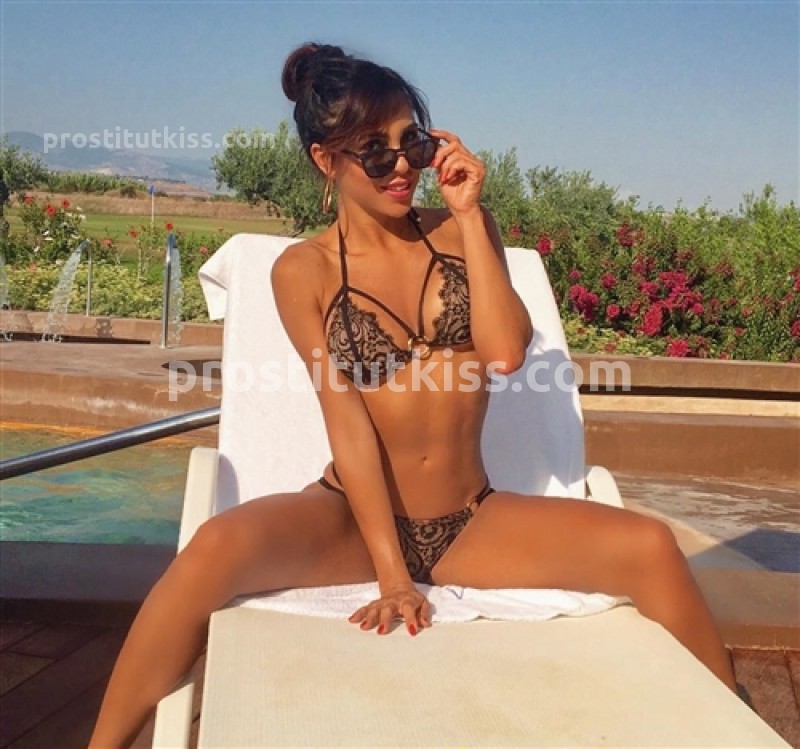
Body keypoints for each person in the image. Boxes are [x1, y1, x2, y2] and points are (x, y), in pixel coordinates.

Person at [90, 42, 737, 747]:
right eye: (374, 151)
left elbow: (505, 353)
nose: (401, 166)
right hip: (349, 517)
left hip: (469, 519)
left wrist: (470, 217)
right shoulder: (302, 271)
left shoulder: (461, 232)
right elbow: (346, 421)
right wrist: (393, 576)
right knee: (213, 548)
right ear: (325, 160)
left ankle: (739, 727)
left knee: (648, 545)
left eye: (413, 143)